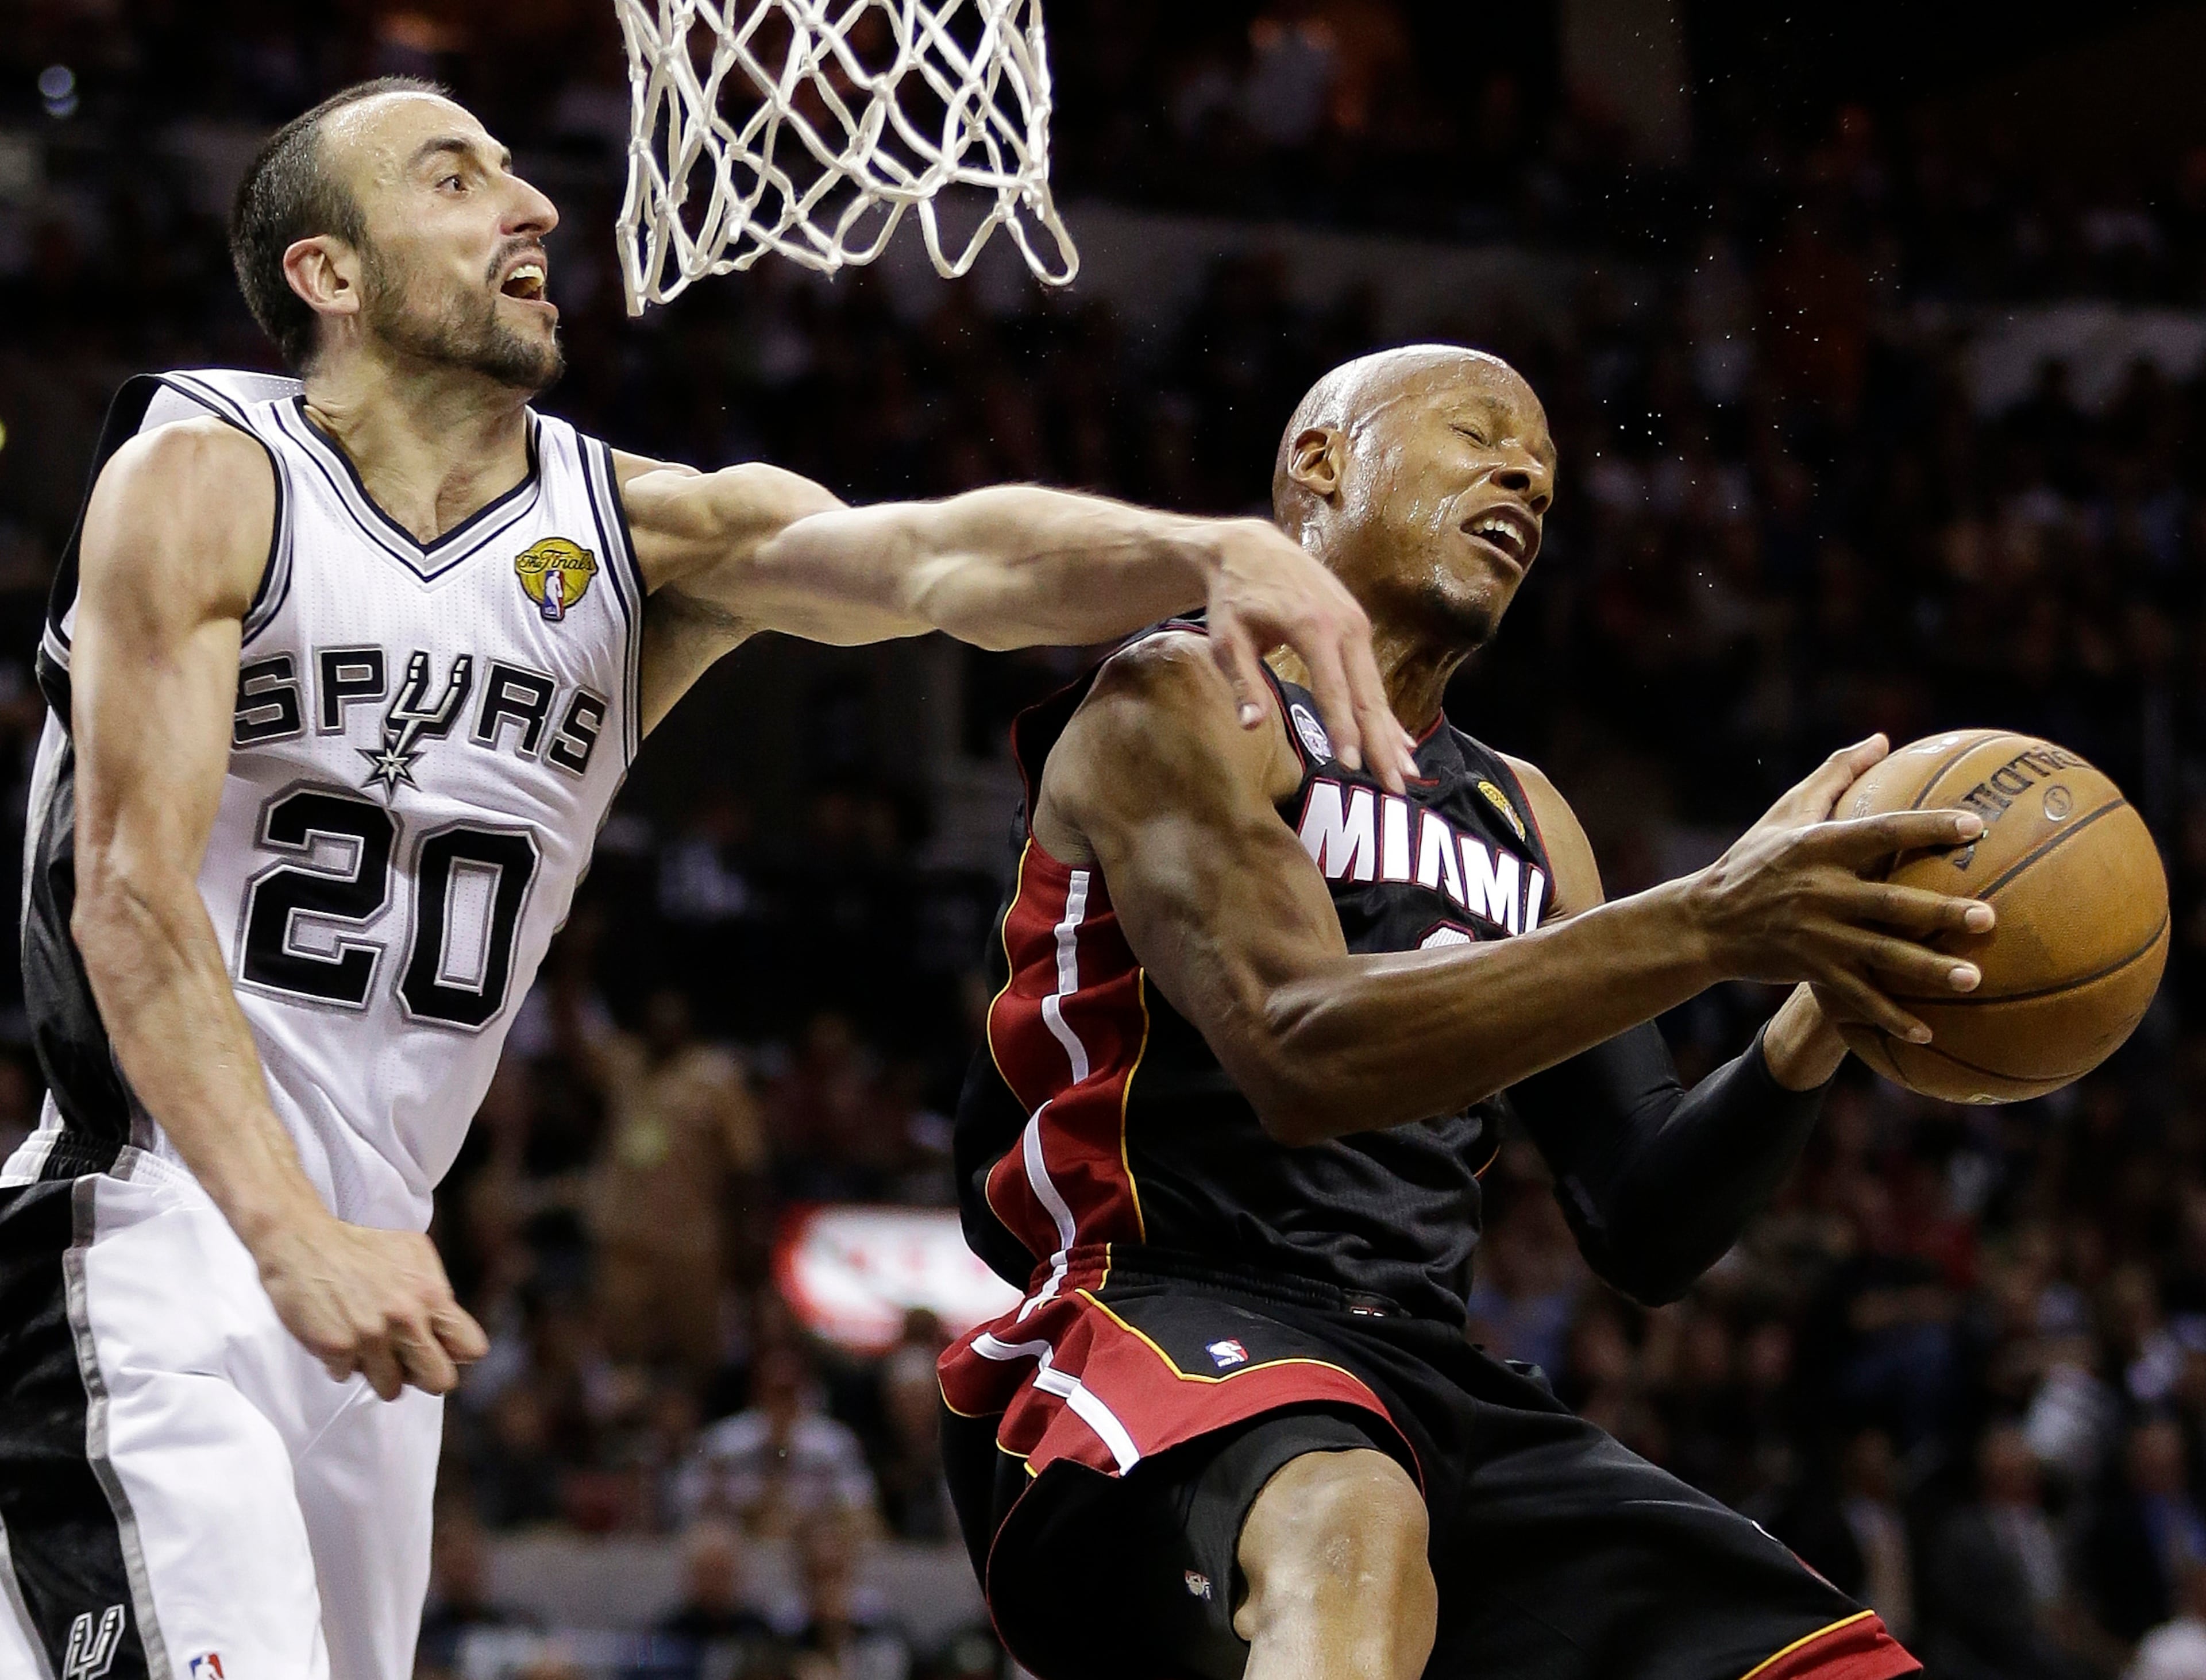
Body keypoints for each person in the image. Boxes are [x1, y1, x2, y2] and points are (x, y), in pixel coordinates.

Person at [0, 76, 1410, 1680]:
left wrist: (1204, 549)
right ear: (329, 275)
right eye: (455, 180)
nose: (531, 208)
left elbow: (937, 559)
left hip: (373, 1294)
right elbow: (128, 891)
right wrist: (280, 1226)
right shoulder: (204, 475)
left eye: (520, 177)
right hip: (155, 1236)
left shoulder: (637, 533)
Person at [937, 344, 2001, 1679]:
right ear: (1318, 464)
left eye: (1547, 476)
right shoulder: (1184, 697)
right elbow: (1299, 1041)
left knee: (1835, 1665)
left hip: (1425, 1374)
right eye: (1480, 434)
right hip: (1142, 1325)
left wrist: (1816, 1006)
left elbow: (1647, 1218)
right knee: (1350, 1511)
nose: (1525, 476)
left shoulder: (1526, 815)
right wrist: (1709, 920)